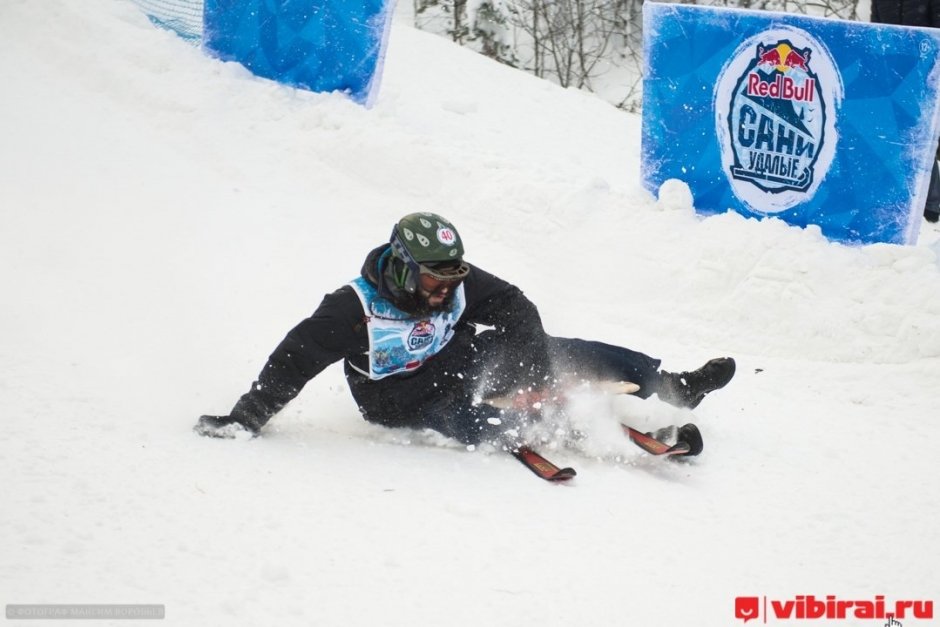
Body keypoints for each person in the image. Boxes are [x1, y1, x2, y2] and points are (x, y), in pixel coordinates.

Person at [196, 213, 735, 452]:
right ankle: (591, 430)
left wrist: (533, 367)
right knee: (482, 420)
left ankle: (673, 387)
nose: (445, 289)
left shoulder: (452, 281)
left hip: (456, 355)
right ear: (404, 266)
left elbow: (514, 304)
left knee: (568, 351)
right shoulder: (351, 310)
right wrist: (246, 418)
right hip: (398, 395)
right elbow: (293, 360)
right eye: (434, 278)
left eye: (453, 277)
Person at [871, 0, 940, 223]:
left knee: (925, 137)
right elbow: (877, 33)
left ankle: (931, 203)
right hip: (896, 74)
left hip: (930, 73)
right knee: (911, 137)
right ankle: (929, 204)